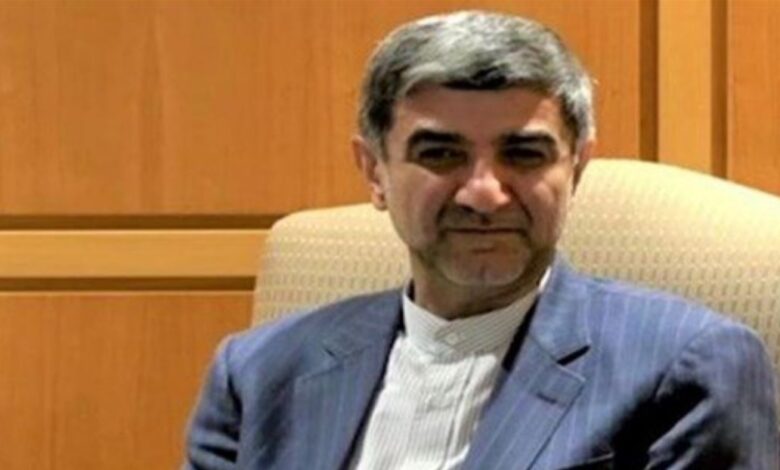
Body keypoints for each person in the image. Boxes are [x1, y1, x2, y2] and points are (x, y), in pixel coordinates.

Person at [184, 10, 778, 469]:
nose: (484, 194)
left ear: (575, 169)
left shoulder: (688, 366)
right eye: (440, 154)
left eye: (524, 154)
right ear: (374, 172)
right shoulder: (258, 373)